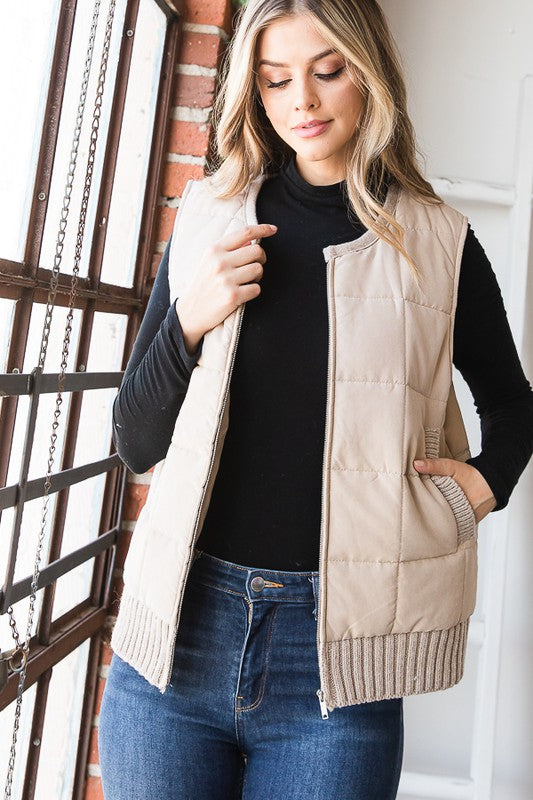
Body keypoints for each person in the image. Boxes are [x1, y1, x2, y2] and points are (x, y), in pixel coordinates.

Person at [98, 1, 533, 798]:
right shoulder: (209, 218)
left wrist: (478, 489)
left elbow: (513, 405)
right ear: (253, 92)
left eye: (327, 71)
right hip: (176, 643)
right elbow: (136, 439)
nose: (301, 99)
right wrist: (190, 318)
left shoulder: (437, 243)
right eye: (275, 80)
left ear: (369, 74)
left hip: (337, 669)